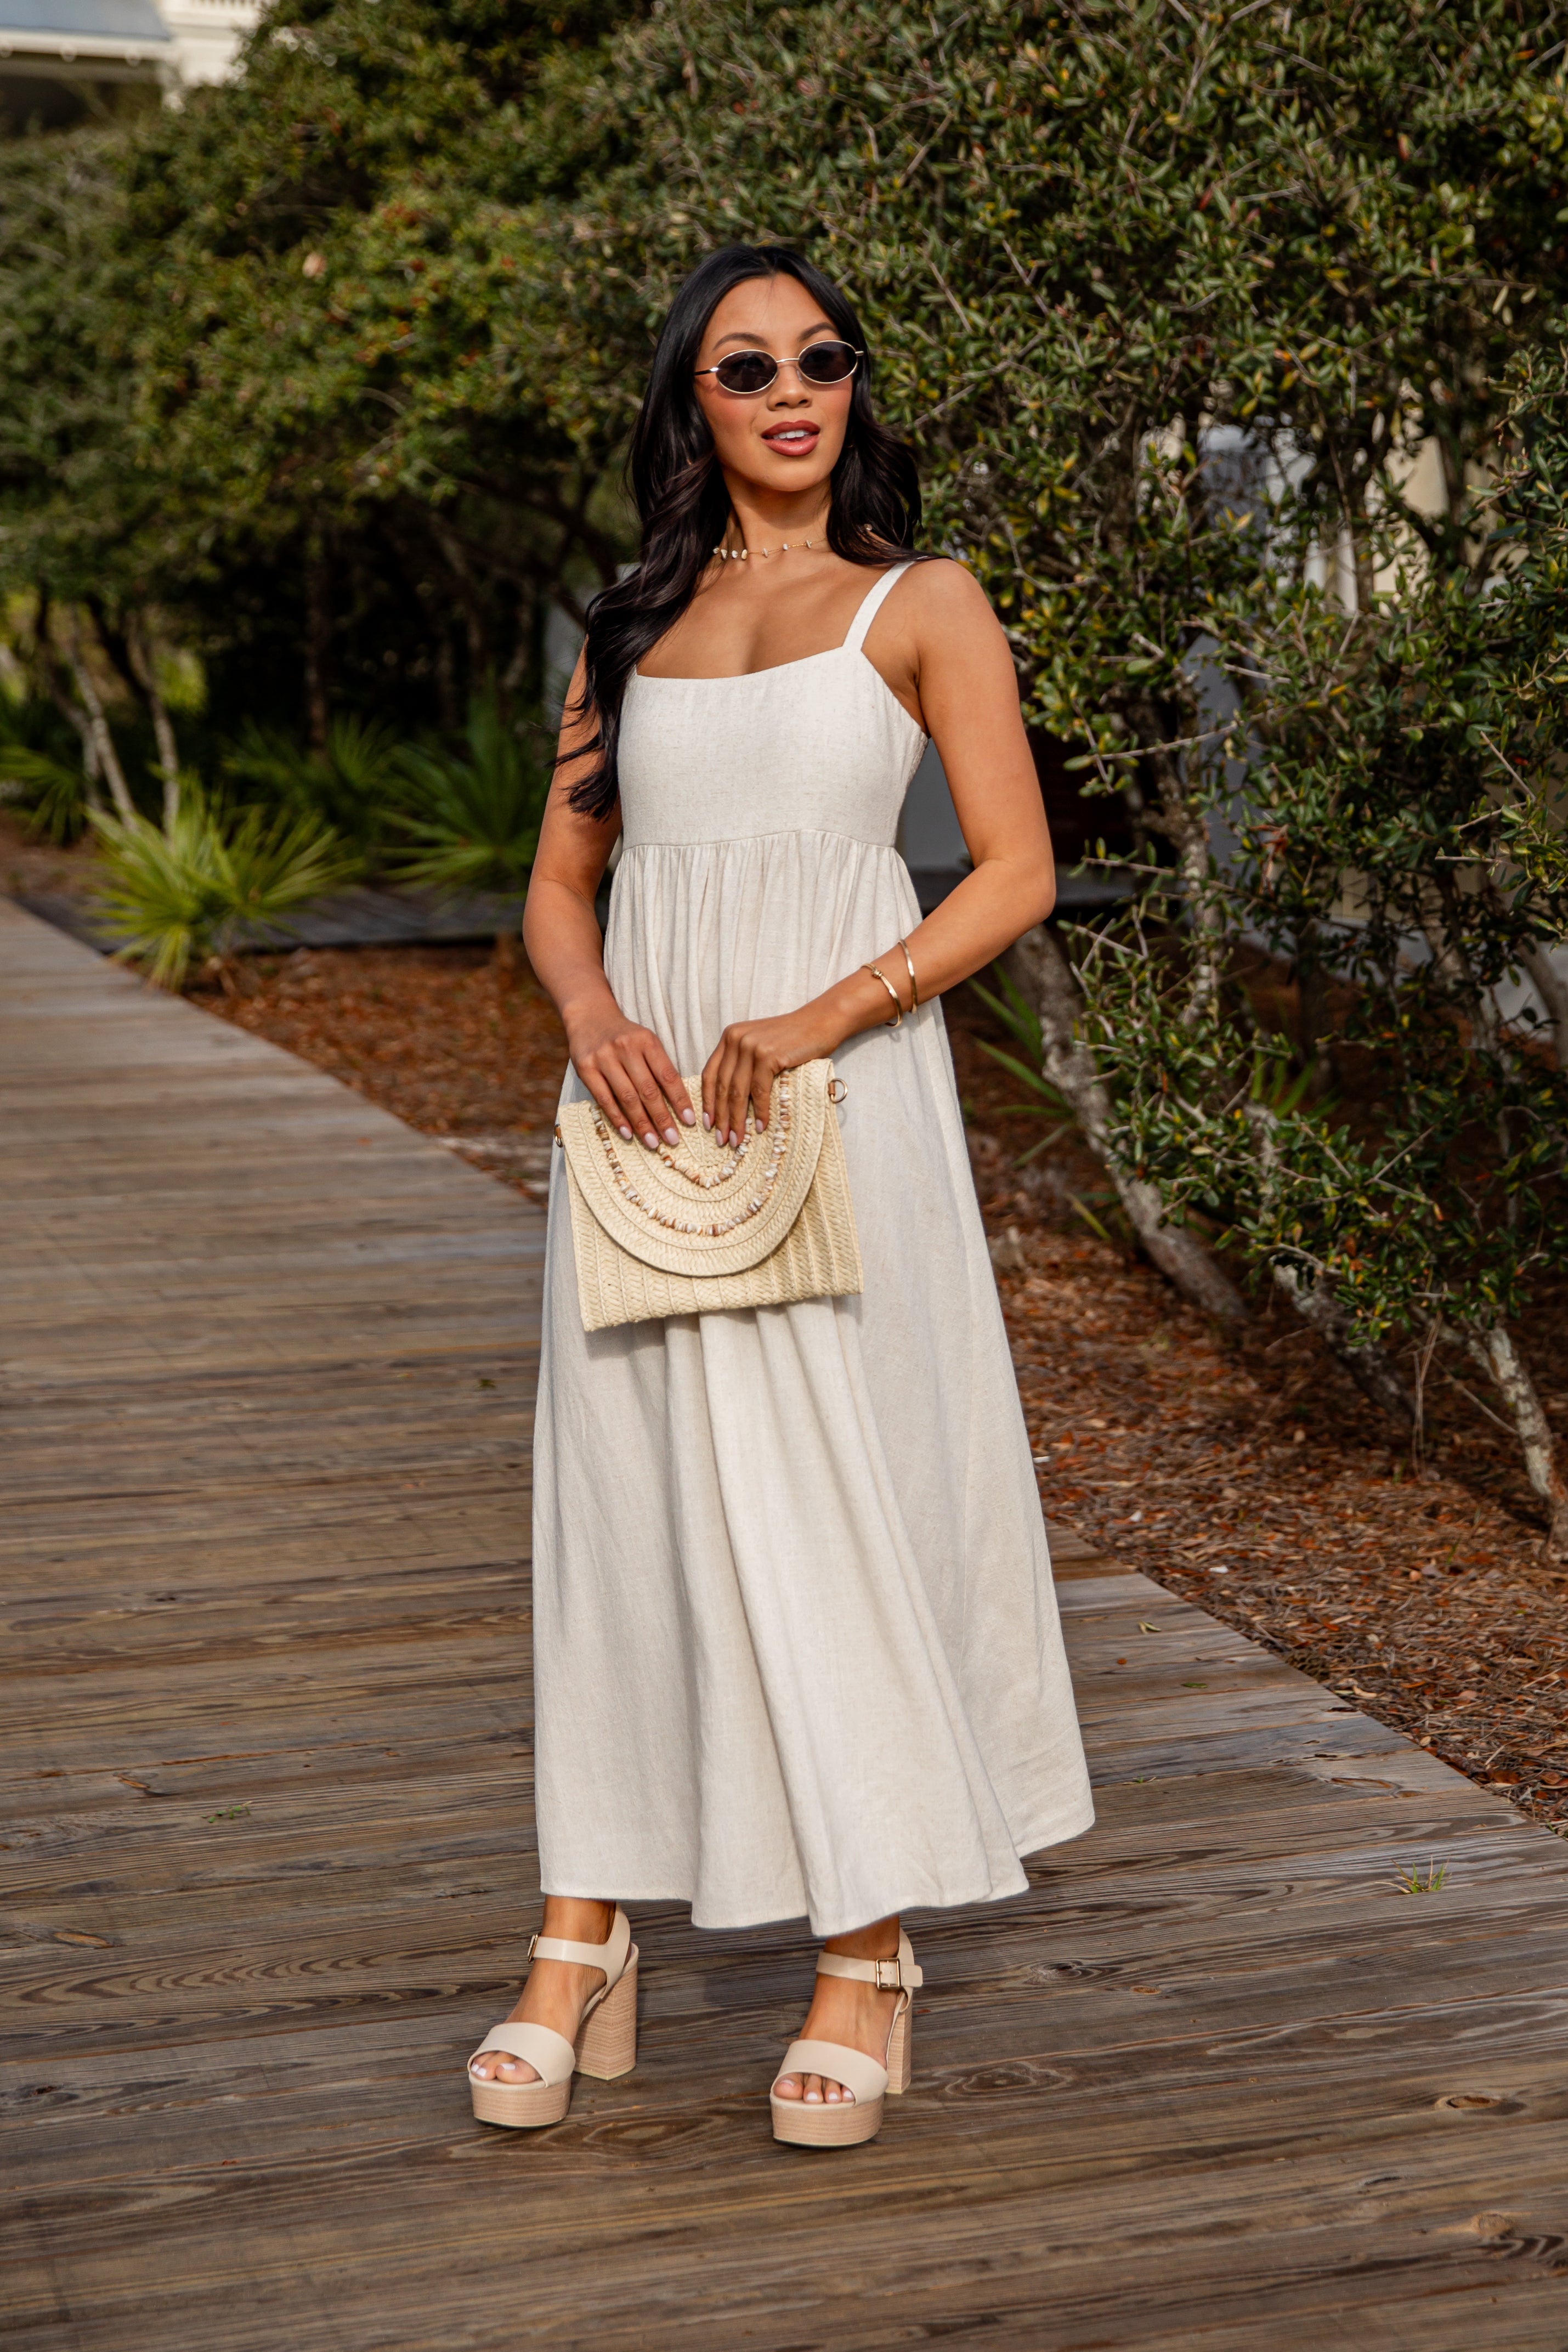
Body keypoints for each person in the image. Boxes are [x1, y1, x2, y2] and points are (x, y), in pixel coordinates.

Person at [468, 242, 1093, 2148]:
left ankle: (866, 1956)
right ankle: (583, 1936)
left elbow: (1012, 875)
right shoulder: (626, 628)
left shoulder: (923, 600)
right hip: (650, 1113)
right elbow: (559, 885)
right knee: (627, 1498)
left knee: (840, 1489)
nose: (792, 388)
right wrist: (587, 1013)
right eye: (748, 367)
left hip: (840, 1098)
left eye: (822, 359)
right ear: (692, 404)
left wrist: (825, 1009)